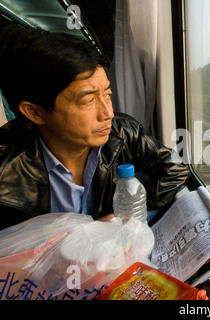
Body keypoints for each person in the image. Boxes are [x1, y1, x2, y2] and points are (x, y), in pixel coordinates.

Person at [0, 25, 190, 230]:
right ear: (36, 112)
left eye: (107, 95)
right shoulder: (6, 167)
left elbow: (175, 165)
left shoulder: (122, 132)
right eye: (88, 100)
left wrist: (125, 213)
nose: (108, 113)